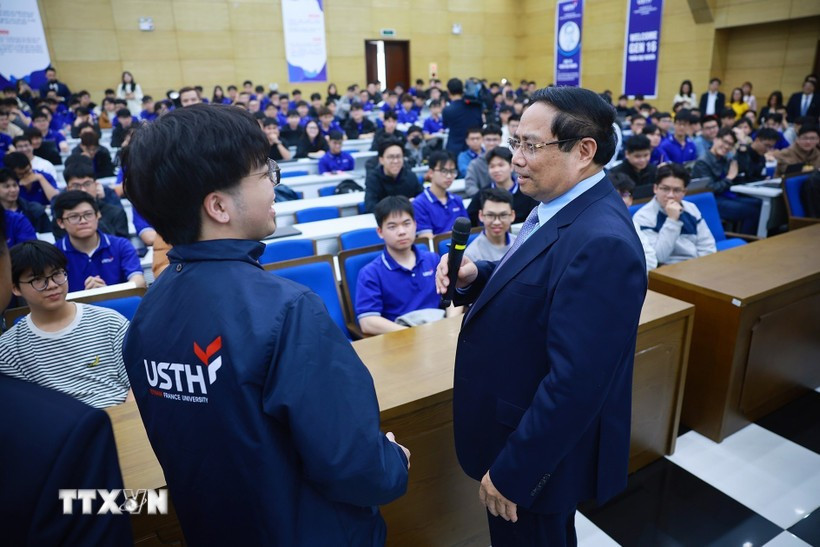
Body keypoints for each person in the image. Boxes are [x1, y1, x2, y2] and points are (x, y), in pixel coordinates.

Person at [120, 103, 409, 544]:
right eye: (263, 173)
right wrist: (393, 463)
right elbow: (352, 463)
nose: (276, 184)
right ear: (218, 205)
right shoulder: (288, 311)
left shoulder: (147, 313)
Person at [435, 86, 646, 545]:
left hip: (533, 454)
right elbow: (536, 286)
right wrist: (476, 274)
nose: (517, 158)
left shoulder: (602, 241)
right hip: (513, 426)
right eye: (516, 143)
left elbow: (576, 382)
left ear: (583, 151)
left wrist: (516, 470)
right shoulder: (556, 206)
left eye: (532, 145)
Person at [0, 240, 132, 407]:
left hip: (123, 418)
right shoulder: (9, 350)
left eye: (57, 274)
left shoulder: (110, 322)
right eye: (38, 279)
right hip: (61, 430)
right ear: (16, 288)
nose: (53, 285)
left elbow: (139, 380)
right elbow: (25, 411)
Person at [356, 196, 443, 335]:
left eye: (407, 223)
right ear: (380, 232)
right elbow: (367, 321)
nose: (402, 231)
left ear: (415, 224)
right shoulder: (371, 273)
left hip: (439, 329)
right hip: (401, 337)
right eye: (392, 226)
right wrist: (414, 334)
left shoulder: (433, 259)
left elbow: (454, 296)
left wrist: (450, 323)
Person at [52, 191, 145, 292]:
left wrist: (107, 292)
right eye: (74, 217)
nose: (83, 221)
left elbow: (139, 281)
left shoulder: (120, 245)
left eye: (88, 214)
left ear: (98, 215)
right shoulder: (53, 254)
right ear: (60, 222)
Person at [633, 163, 716, 266]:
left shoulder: (691, 209)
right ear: (655, 188)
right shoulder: (643, 217)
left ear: (684, 192)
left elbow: (707, 246)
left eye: (676, 190)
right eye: (665, 189)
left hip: (695, 265)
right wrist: (672, 220)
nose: (670, 195)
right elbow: (659, 257)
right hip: (665, 271)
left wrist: (703, 266)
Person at [692, 127, 761, 234]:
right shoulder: (703, 162)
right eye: (724, 142)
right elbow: (710, 189)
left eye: (730, 144)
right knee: (752, 212)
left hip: (725, 195)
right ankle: (745, 243)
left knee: (759, 203)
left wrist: (742, 144)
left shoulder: (724, 158)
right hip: (712, 200)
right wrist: (729, 178)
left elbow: (744, 169)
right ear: (715, 139)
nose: (726, 146)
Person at [467, 146, 538, 225]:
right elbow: (470, 220)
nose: (496, 170)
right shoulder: (482, 194)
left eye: (501, 165)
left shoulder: (527, 191)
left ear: (511, 167)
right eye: (492, 166)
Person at [412, 151, 467, 236]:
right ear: (431, 173)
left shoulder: (457, 200)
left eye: (452, 171)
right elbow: (428, 240)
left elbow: (467, 231)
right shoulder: (419, 204)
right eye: (444, 171)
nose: (449, 176)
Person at [363, 139, 423, 213]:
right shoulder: (373, 179)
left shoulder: (411, 176)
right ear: (381, 160)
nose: (395, 161)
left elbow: (422, 199)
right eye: (390, 157)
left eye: (398, 157)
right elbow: (370, 206)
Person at [464, 188, 516, 262]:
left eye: (503, 215)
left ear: (512, 215)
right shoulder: (471, 256)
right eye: (490, 215)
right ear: (481, 215)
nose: (496, 222)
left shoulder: (520, 244)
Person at [0, 168, 50, 233]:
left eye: (15, 185)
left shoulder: (35, 210)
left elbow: (48, 236)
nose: (13, 190)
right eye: (7, 186)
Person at [443, 78, 484, 155]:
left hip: (454, 148)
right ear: (462, 90)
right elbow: (480, 124)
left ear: (448, 91)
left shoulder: (447, 110)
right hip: (474, 147)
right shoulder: (475, 106)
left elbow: (445, 125)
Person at [464, 125, 504, 197]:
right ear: (482, 140)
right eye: (488, 140)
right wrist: (487, 197)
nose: (491, 143)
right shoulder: (475, 164)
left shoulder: (509, 160)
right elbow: (470, 187)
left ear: (500, 140)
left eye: (495, 140)